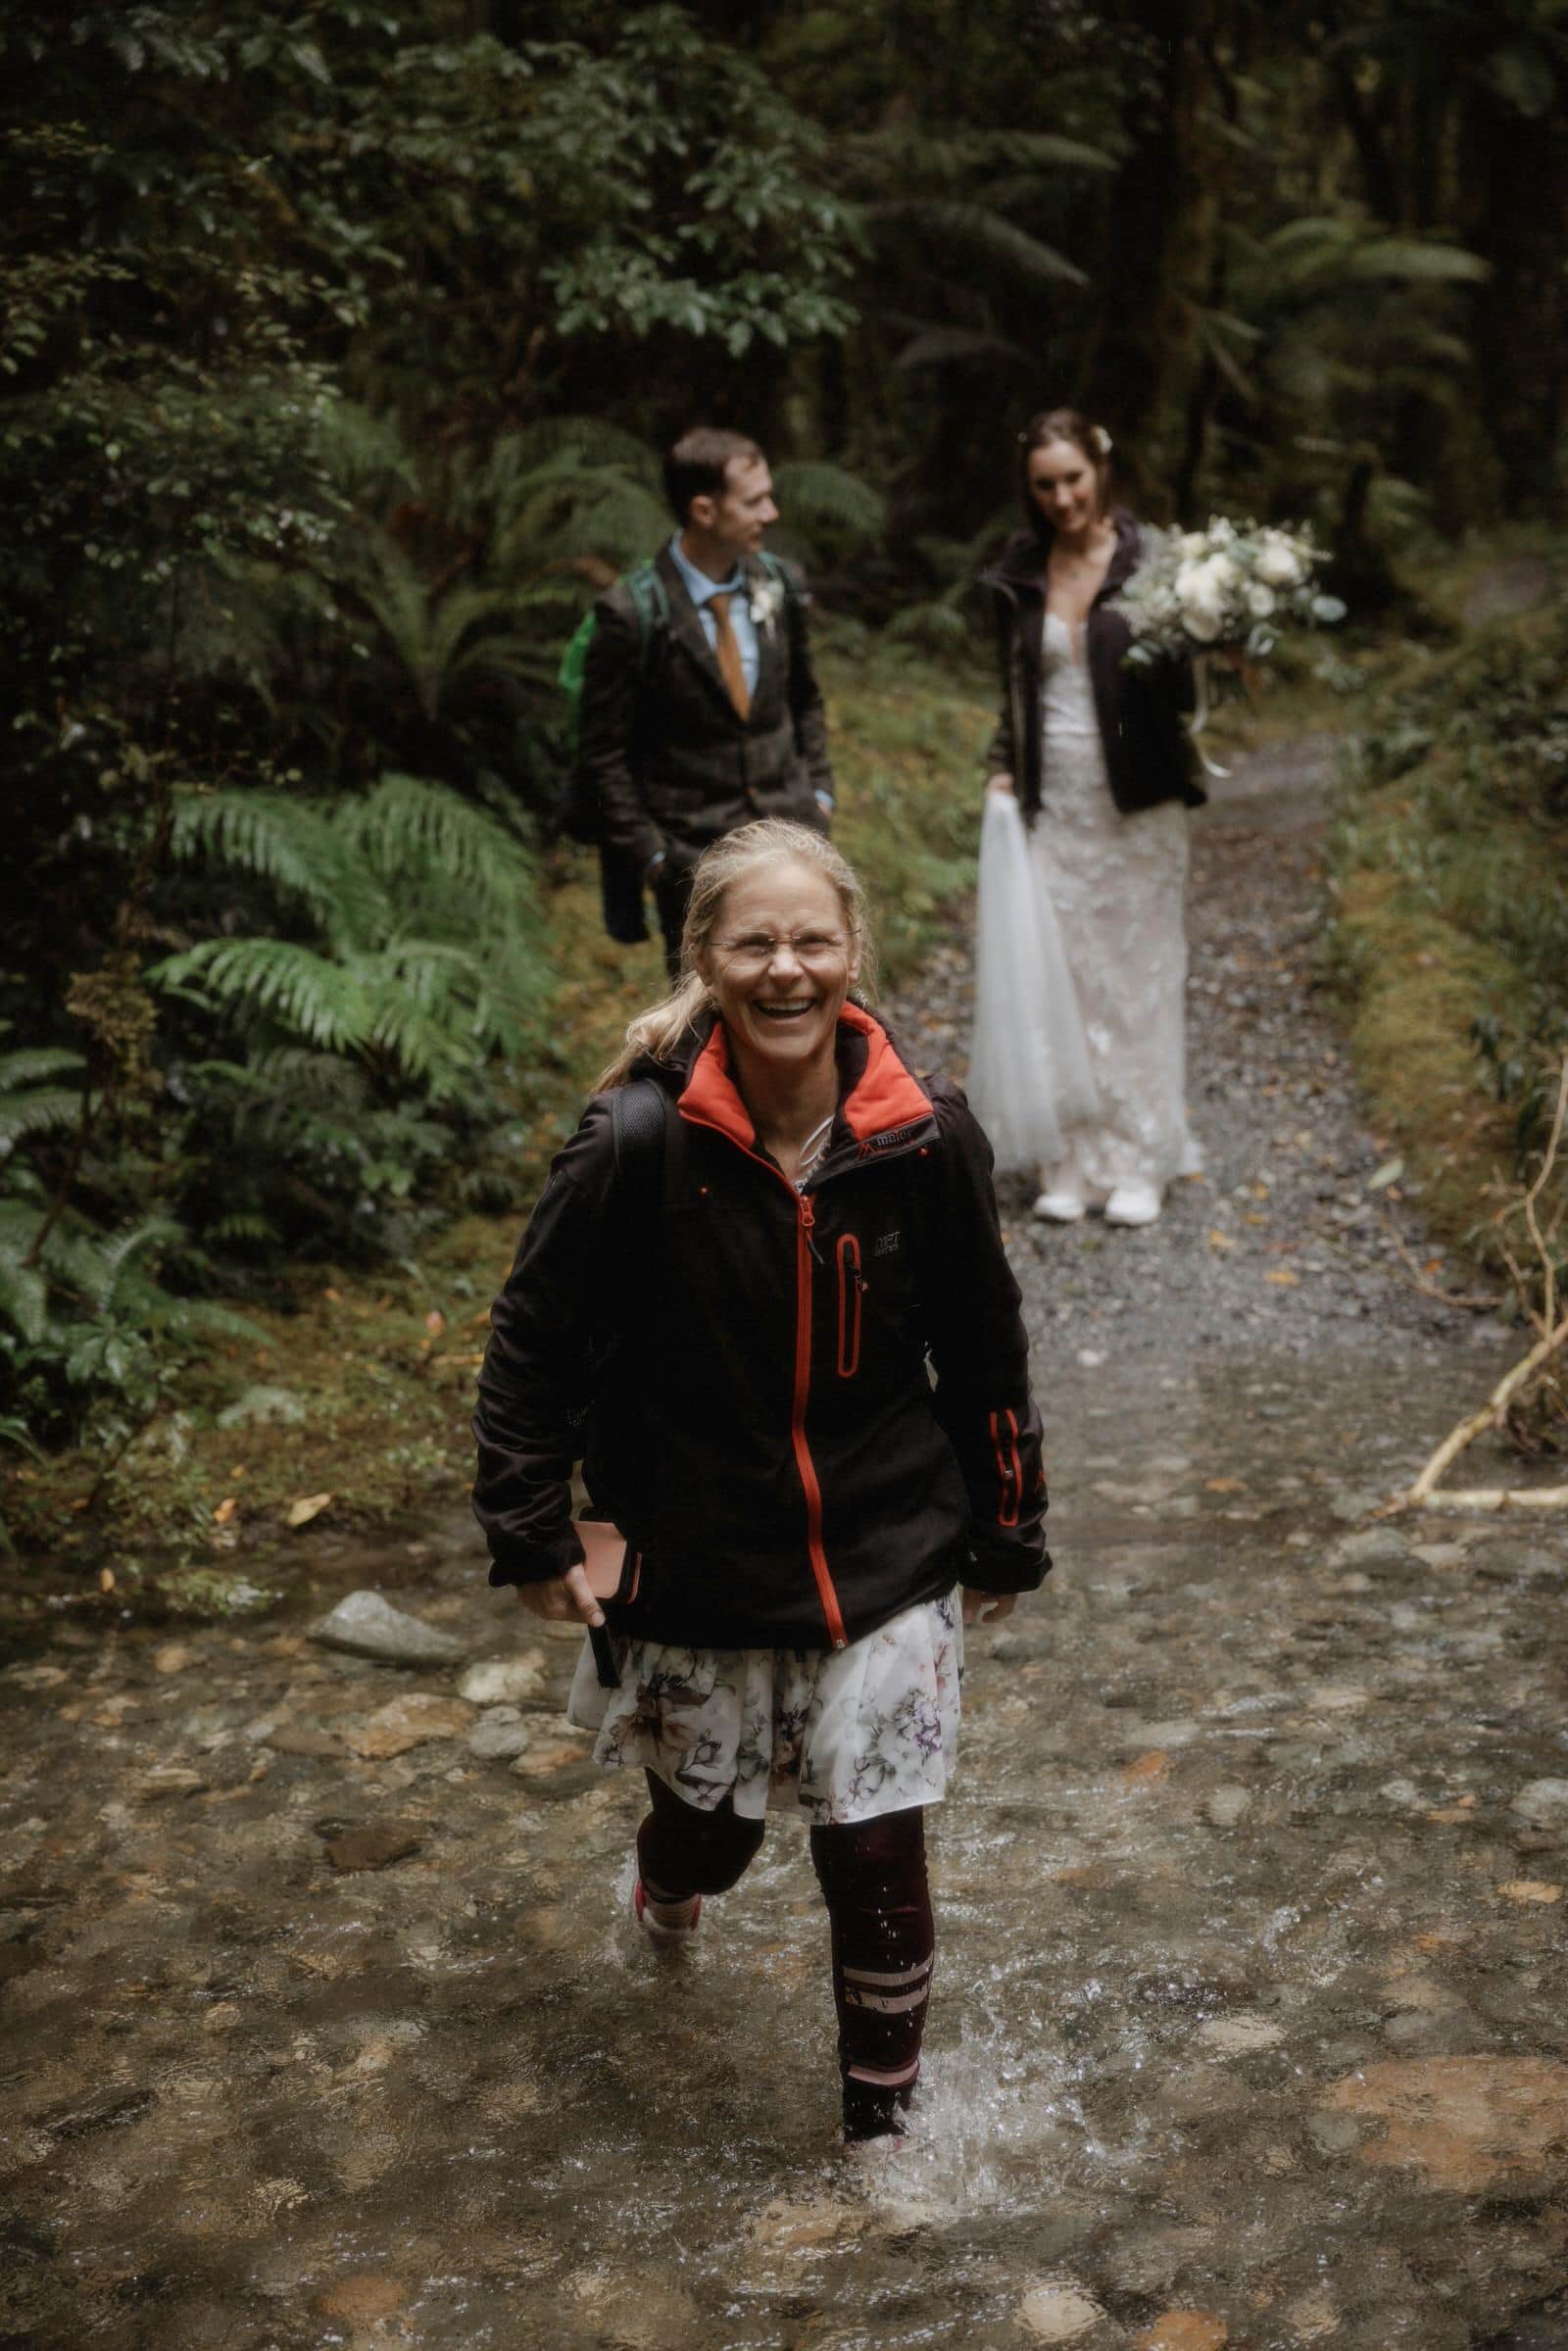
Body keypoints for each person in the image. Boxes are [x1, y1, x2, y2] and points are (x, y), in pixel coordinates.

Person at [472, 818, 1049, 2146]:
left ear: (853, 953)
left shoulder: (922, 1136)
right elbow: (535, 1340)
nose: (787, 967)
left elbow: (983, 1340)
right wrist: (529, 1522)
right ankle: (662, 1883)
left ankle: (882, 2141)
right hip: (700, 1557)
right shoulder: (632, 1141)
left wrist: (1008, 1521)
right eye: (756, 941)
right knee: (711, 1839)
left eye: (812, 939)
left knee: (874, 1842)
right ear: (709, 961)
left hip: (888, 1545)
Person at [971, 407, 1204, 1228]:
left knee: (1135, 982)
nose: (1062, 497)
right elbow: (1014, 688)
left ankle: (1142, 1153)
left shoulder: (1154, 564)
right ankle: (1069, 1157)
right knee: (1060, 977)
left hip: (1137, 803)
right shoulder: (1021, 569)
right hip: (1053, 801)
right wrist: (1003, 765)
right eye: (1045, 485)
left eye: (1073, 478)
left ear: (1100, 468)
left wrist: (1225, 650)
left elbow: (1185, 691)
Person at [577, 426, 837, 978]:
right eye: (754, 500)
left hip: (795, 842)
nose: (771, 513)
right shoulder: (631, 613)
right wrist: (654, 857)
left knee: (807, 1005)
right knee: (703, 1035)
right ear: (704, 510)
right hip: (692, 862)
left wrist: (819, 795)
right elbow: (603, 755)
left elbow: (805, 699)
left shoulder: (782, 586)